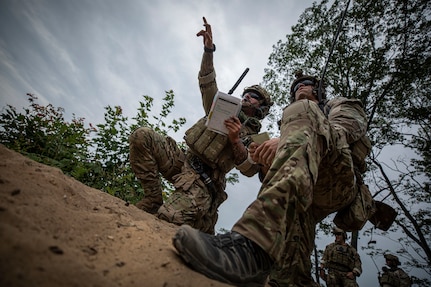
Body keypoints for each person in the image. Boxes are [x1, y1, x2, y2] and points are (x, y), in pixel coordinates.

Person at [173, 68, 369, 286]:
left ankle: (251, 246)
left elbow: (344, 130)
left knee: (304, 111)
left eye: (305, 84)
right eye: (295, 87)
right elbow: (269, 173)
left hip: (337, 181)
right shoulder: (287, 125)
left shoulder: (336, 106)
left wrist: (288, 137)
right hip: (304, 195)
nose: (299, 87)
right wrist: (265, 160)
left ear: (319, 90)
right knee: (288, 275)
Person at [128, 17, 273, 235]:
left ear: (262, 108)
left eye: (255, 98)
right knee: (143, 136)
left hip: (205, 182)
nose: (248, 98)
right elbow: (207, 81)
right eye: (246, 94)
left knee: (169, 217)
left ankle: (203, 222)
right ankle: (152, 198)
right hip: (183, 161)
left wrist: (235, 140)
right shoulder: (220, 107)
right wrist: (209, 50)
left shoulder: (257, 138)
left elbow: (250, 169)